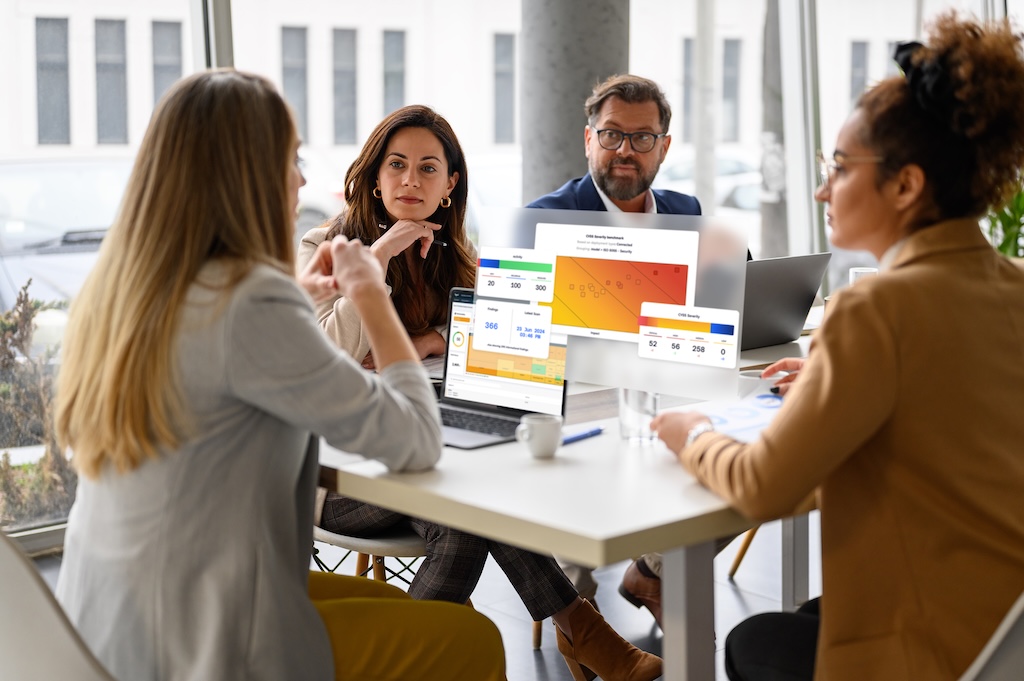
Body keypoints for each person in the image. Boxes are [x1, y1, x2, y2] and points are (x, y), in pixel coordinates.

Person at [52, 70, 505, 681]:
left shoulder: (124, 289)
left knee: (402, 607)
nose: (303, 178)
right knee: (472, 638)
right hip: (207, 639)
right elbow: (417, 439)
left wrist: (297, 296)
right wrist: (371, 295)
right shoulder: (251, 301)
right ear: (242, 173)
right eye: (289, 158)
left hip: (115, 616)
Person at [652, 13, 1024, 680]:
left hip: (926, 650)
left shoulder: (877, 306)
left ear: (906, 185)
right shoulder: (1012, 284)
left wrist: (694, 431)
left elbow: (762, 486)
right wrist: (834, 377)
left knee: (754, 642)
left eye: (841, 168)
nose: (823, 188)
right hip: (1002, 629)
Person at [298, 104, 661, 681]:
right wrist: (381, 259)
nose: (411, 180)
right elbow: (320, 358)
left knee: (466, 513)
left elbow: (483, 326)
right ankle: (583, 634)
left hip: (428, 445)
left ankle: (425, 658)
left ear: (450, 185)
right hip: (343, 469)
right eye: (396, 165)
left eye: (427, 168)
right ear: (373, 176)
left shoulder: (452, 252)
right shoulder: (327, 246)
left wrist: (430, 338)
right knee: (471, 512)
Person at [527, 73, 713, 627]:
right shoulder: (547, 217)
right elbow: (520, 331)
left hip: (672, 393)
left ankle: (650, 573)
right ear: (589, 140)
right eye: (611, 135)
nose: (624, 151)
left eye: (641, 138)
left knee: (739, 466)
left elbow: (730, 304)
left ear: (664, 147)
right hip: (582, 399)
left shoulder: (688, 212)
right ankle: (582, 624)